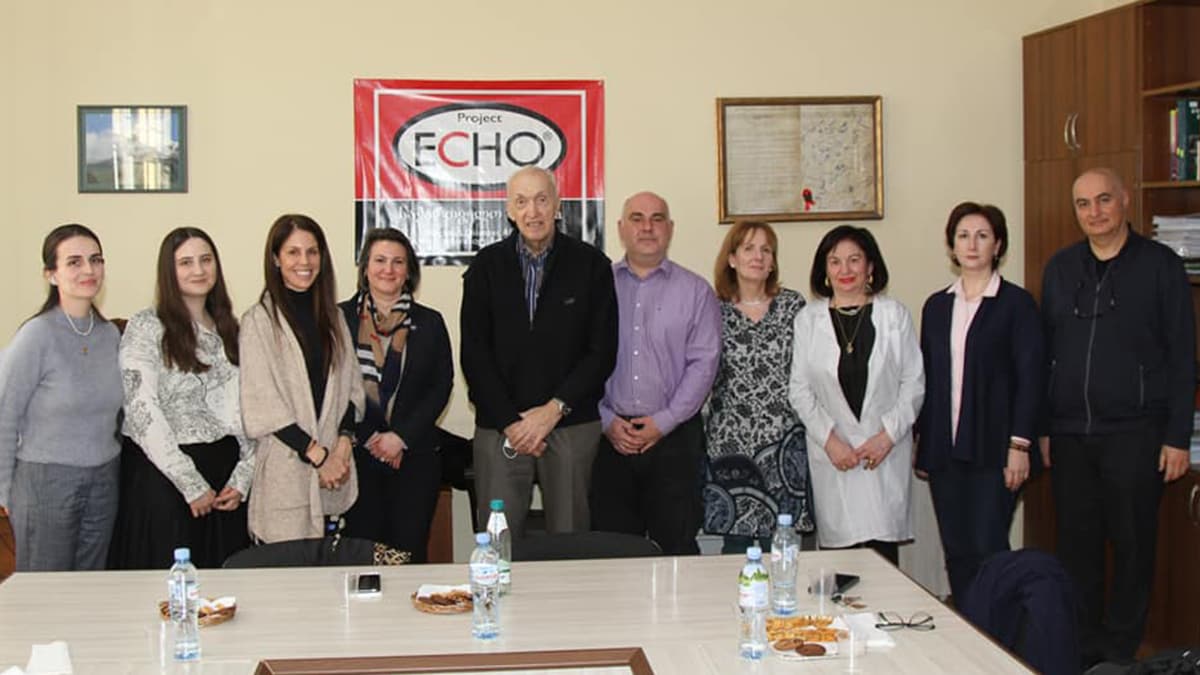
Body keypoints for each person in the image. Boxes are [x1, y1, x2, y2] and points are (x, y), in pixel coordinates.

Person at [1040, 168, 1195, 666]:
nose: (1095, 212)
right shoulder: (1061, 269)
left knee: (1132, 549)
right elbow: (1046, 355)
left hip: (1136, 433)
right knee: (1076, 551)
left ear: (1125, 200)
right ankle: (1084, 654)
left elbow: (1182, 355)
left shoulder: (1161, 266)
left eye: (1104, 200)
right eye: (1083, 204)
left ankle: (1120, 654)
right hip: (1070, 436)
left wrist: (1177, 436)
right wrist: (1043, 427)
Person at [460, 166, 618, 538]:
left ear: (558, 206)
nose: (533, 211)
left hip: (570, 424)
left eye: (542, 200)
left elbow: (602, 351)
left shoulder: (592, 265)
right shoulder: (485, 267)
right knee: (497, 543)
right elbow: (474, 354)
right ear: (510, 211)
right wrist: (513, 423)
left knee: (571, 543)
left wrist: (552, 411)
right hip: (501, 427)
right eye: (522, 202)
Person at [915, 203, 1043, 602]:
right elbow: (928, 380)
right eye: (963, 236)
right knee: (956, 549)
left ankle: (998, 636)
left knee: (989, 546)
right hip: (945, 450)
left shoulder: (1016, 305)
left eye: (982, 235)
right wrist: (922, 440)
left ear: (998, 244)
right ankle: (970, 628)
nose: (972, 245)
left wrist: (1020, 445)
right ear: (952, 247)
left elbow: (1031, 379)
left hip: (997, 449)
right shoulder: (937, 306)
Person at [109, 227, 254, 569]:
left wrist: (243, 476)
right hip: (165, 477)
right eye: (185, 262)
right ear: (168, 271)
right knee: (169, 593)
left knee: (224, 595)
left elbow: (249, 406)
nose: (198, 270)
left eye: (206, 260)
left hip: (224, 479)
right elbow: (141, 410)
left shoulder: (230, 328)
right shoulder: (147, 326)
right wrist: (189, 483)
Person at [591, 191, 721, 555]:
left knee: (677, 548)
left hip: (674, 439)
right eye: (636, 218)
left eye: (657, 218)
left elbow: (704, 364)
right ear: (620, 229)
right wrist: (605, 420)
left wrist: (663, 422)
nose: (647, 227)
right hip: (608, 440)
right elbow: (578, 358)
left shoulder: (696, 291)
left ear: (670, 228)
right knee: (613, 553)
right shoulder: (596, 286)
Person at [787, 225, 924, 565]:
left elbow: (914, 382)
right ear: (824, 270)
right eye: (835, 262)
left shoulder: (895, 316)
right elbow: (799, 389)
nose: (845, 270)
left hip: (882, 453)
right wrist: (830, 440)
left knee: (883, 562)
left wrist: (887, 435)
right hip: (834, 456)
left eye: (854, 260)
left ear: (870, 267)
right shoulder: (808, 320)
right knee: (839, 566)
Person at [0, 224, 123, 570]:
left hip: (104, 479)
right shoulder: (37, 335)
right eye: (74, 262)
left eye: (95, 260)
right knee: (46, 591)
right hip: (45, 483)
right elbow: (4, 414)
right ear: (51, 274)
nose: (88, 270)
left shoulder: (110, 335)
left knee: (89, 589)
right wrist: (4, 490)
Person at [239, 214, 364, 544]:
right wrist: (319, 456)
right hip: (287, 475)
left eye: (312, 252)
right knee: (289, 585)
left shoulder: (334, 316)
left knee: (332, 582)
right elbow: (262, 406)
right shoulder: (258, 322)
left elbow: (352, 389)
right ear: (276, 259)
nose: (304, 261)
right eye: (293, 252)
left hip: (335, 475)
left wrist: (341, 447)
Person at [339, 228, 452, 562]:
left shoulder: (430, 322)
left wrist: (399, 437)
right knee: (361, 555)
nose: (388, 270)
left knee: (409, 552)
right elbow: (334, 388)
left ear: (409, 271)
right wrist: (371, 436)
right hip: (357, 456)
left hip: (414, 456)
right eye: (380, 260)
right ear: (365, 267)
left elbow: (440, 386)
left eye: (397, 262)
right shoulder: (338, 318)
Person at [703, 220, 813, 553]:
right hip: (729, 444)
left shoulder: (794, 308)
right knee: (735, 548)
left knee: (783, 548)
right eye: (749, 248)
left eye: (767, 250)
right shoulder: (711, 309)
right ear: (732, 258)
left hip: (783, 445)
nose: (759, 256)